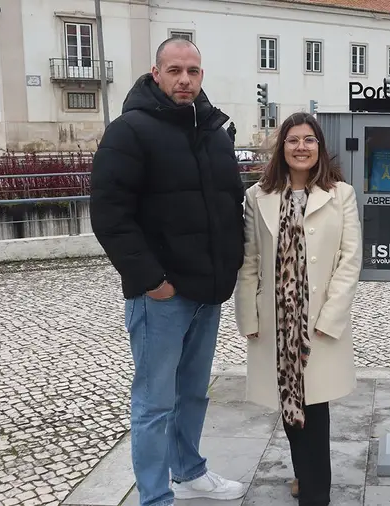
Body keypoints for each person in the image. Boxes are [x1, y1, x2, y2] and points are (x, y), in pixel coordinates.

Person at [90, 37, 248, 506]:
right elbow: (109, 215)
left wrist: (230, 268)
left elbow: (228, 204)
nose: (185, 79)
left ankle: (190, 470)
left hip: (207, 292)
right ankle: (155, 496)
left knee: (194, 393)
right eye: (175, 70)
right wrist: (151, 282)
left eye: (193, 71)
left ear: (202, 76)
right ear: (156, 73)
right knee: (155, 404)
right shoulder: (129, 131)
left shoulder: (215, 132)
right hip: (161, 295)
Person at [234, 111, 361, 506]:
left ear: (319, 147)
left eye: (308, 140)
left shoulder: (342, 194)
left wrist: (331, 316)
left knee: (315, 406)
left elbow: (350, 259)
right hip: (277, 320)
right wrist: (248, 316)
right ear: (282, 147)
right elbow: (250, 260)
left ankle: (315, 493)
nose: (301, 147)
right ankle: (304, 477)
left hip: (318, 321)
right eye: (292, 140)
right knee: (288, 404)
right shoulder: (258, 196)